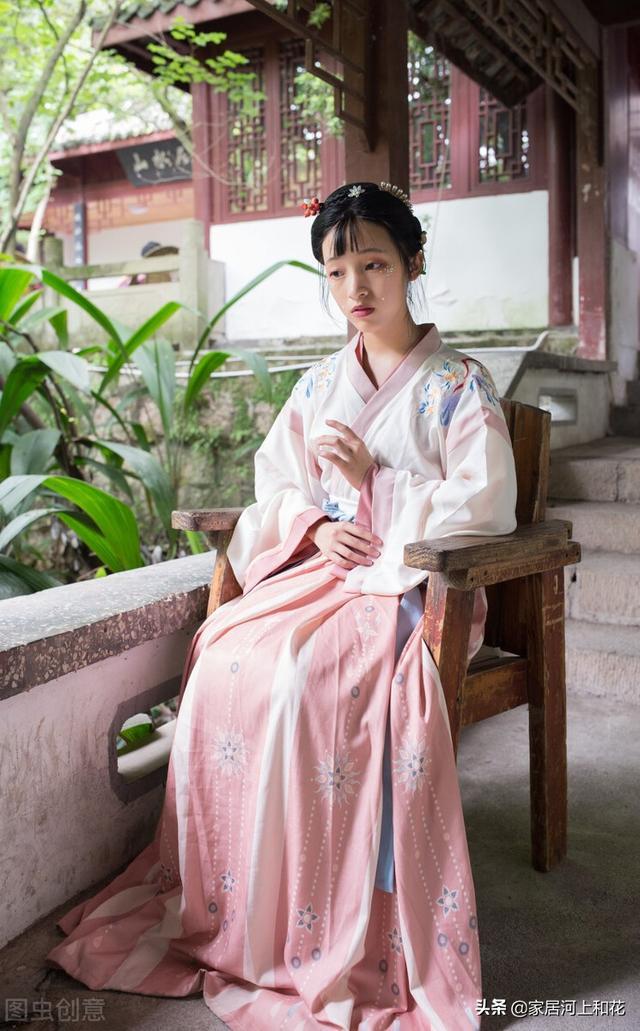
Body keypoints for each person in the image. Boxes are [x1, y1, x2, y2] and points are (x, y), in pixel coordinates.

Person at [45, 181, 518, 1029]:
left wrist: (377, 486)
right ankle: (246, 899)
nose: (355, 288)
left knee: (308, 679)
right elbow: (277, 488)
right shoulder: (318, 386)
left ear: (412, 263)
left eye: (374, 265)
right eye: (337, 272)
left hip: (415, 585)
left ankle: (329, 911)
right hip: (324, 571)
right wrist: (316, 526)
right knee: (224, 652)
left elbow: (483, 506)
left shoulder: (458, 386)